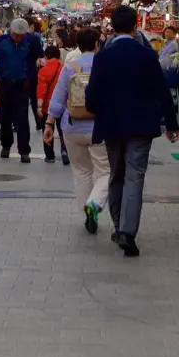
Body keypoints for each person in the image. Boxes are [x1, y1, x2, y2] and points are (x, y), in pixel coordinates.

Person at [85, 5, 179, 258]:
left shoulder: (102, 57)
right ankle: (128, 232)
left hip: (112, 125)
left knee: (116, 173)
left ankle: (118, 227)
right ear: (135, 25)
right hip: (141, 125)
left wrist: (98, 110)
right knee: (135, 176)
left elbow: (91, 96)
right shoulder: (147, 55)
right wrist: (171, 124)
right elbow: (162, 91)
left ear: (113, 28)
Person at [44, 27, 108, 233]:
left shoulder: (70, 66)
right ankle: (95, 203)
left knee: (81, 171)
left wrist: (49, 123)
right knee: (106, 170)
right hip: (100, 127)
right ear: (97, 44)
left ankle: (86, 211)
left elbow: (58, 97)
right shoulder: (105, 66)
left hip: (71, 126)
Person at [0, 17, 42, 163]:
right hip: (5, 84)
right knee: (4, 117)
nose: (18, 38)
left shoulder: (31, 42)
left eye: (21, 35)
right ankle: (6, 145)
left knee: (22, 118)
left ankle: (24, 150)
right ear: (11, 31)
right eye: (15, 35)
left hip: (22, 85)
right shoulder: (1, 41)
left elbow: (39, 57)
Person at [36, 46, 66, 164]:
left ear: (46, 57)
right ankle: (65, 150)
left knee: (48, 128)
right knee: (63, 129)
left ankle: (50, 155)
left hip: (47, 106)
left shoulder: (43, 71)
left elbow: (42, 90)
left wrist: (39, 106)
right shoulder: (64, 68)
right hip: (63, 105)